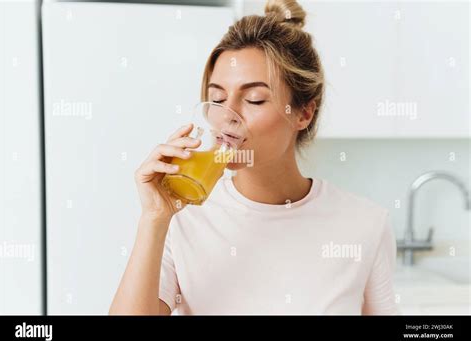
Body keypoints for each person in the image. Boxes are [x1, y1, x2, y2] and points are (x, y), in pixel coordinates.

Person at [109, 0, 398, 315]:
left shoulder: (365, 224)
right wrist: (153, 219)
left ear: (303, 113)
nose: (226, 115)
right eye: (217, 98)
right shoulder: (182, 219)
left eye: (254, 99)